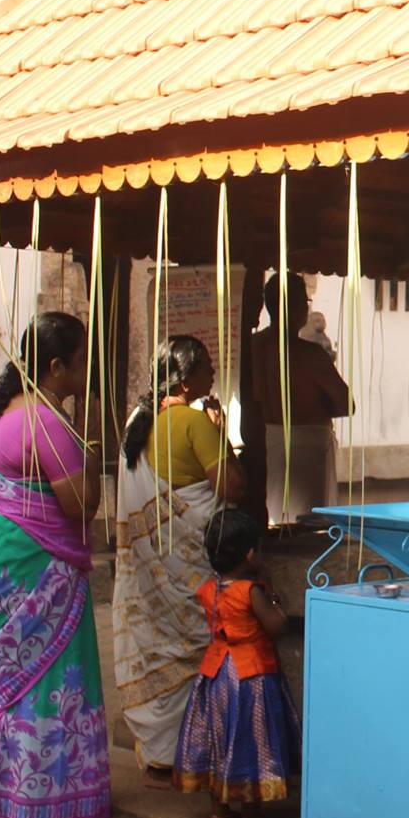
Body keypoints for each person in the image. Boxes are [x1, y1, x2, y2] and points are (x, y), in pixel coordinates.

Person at [0, 311, 112, 818]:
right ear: (55, 367)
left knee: (1, 673)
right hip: (38, 566)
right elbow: (79, 505)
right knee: (45, 672)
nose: (87, 371)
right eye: (81, 362)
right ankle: (38, 797)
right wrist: (89, 458)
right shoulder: (45, 420)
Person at [113, 336, 246, 787]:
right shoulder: (195, 423)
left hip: (152, 570)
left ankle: (159, 753)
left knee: (161, 647)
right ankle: (197, 753)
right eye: (208, 366)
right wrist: (221, 432)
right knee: (201, 649)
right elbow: (231, 490)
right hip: (190, 565)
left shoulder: (138, 420)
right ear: (187, 380)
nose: (214, 374)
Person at [173, 507, 300, 818]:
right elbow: (277, 628)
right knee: (250, 739)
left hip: (215, 672)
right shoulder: (251, 591)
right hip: (250, 675)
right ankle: (252, 817)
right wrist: (272, 594)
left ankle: (219, 811)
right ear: (251, 555)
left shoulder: (207, 589)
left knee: (220, 738)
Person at [250, 272, 349, 525]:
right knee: (305, 525)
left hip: (264, 441)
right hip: (306, 445)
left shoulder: (252, 347)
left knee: (271, 520)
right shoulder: (310, 355)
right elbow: (345, 403)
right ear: (297, 307)